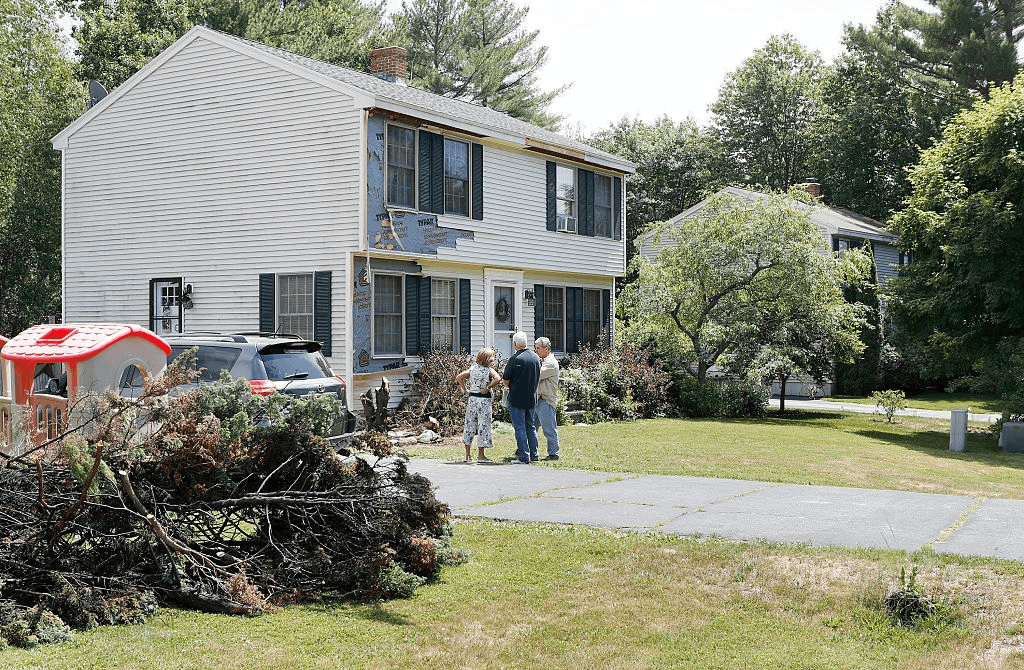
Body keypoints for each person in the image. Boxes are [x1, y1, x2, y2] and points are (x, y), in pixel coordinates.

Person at [456, 348, 501, 463]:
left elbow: (459, 377)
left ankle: (467, 454)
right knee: (483, 426)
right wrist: (488, 387)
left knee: (469, 425)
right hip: (484, 400)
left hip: (472, 399)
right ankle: (481, 455)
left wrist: (465, 390)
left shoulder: (472, 369)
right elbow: (498, 378)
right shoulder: (488, 371)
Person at [502, 331, 541, 464]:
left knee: (519, 427)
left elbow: (506, 379)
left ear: (515, 344)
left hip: (517, 398)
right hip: (532, 398)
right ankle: (534, 454)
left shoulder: (515, 358)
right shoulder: (536, 358)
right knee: (530, 426)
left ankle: (524, 456)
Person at [534, 337, 560, 460]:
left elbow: (536, 375)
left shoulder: (550, 363)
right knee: (531, 427)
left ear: (546, 349)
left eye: (538, 348)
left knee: (549, 428)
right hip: (538, 399)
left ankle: (554, 453)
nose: (536, 350)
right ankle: (527, 449)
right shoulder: (543, 360)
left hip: (546, 399)